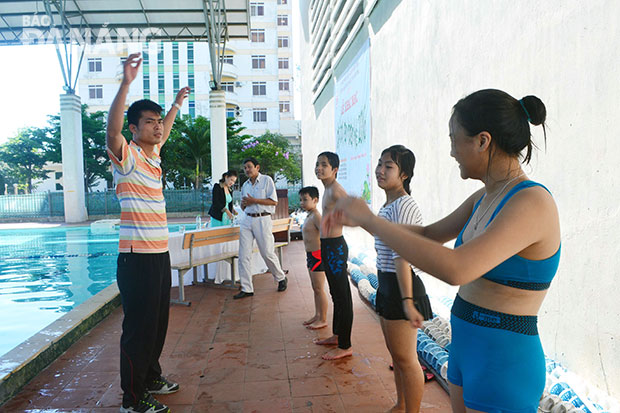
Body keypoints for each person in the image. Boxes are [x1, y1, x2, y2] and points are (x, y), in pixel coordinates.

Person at [325, 89, 560, 413]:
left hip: (501, 359)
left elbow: (458, 268)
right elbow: (428, 234)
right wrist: (363, 221)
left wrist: (370, 220)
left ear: (482, 141)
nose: (451, 152)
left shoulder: (531, 202)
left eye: (454, 139)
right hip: (466, 348)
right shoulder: (485, 196)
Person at [106, 52, 190, 413]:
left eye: (159, 122)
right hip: (136, 258)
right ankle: (133, 399)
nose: (158, 127)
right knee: (138, 330)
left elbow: (166, 130)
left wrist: (174, 105)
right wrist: (126, 84)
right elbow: (111, 131)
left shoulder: (153, 158)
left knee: (157, 325)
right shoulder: (128, 158)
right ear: (134, 129)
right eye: (149, 122)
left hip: (158, 255)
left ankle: (152, 376)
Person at [374, 145, 433, 413]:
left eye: (389, 166)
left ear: (405, 174)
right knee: (397, 357)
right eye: (380, 164)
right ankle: (401, 405)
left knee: (408, 360)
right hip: (387, 283)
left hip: (403, 285)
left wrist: (408, 301)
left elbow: (402, 256)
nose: (381, 170)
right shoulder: (388, 204)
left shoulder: (404, 205)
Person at [313, 152, 354, 360]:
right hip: (328, 246)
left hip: (336, 248)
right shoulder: (327, 189)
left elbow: (354, 213)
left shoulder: (336, 191)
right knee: (336, 294)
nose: (319, 168)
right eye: (318, 164)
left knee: (343, 296)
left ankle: (346, 345)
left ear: (334, 170)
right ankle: (338, 335)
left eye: (324, 165)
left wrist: (339, 219)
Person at [233, 157, 288, 299]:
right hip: (247, 219)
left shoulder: (266, 180)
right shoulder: (245, 185)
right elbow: (243, 205)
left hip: (262, 219)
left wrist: (254, 201)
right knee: (243, 255)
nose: (247, 170)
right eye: (245, 168)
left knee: (267, 252)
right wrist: (245, 204)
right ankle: (247, 288)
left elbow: (274, 201)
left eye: (249, 167)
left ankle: (281, 277)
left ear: (257, 167)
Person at [298, 186, 329, 330]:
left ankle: (323, 318)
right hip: (310, 255)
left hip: (317, 256)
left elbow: (326, 235)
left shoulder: (316, 216)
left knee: (319, 288)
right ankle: (317, 315)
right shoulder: (309, 215)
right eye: (301, 200)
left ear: (315, 200)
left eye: (305, 200)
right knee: (315, 288)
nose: (302, 203)